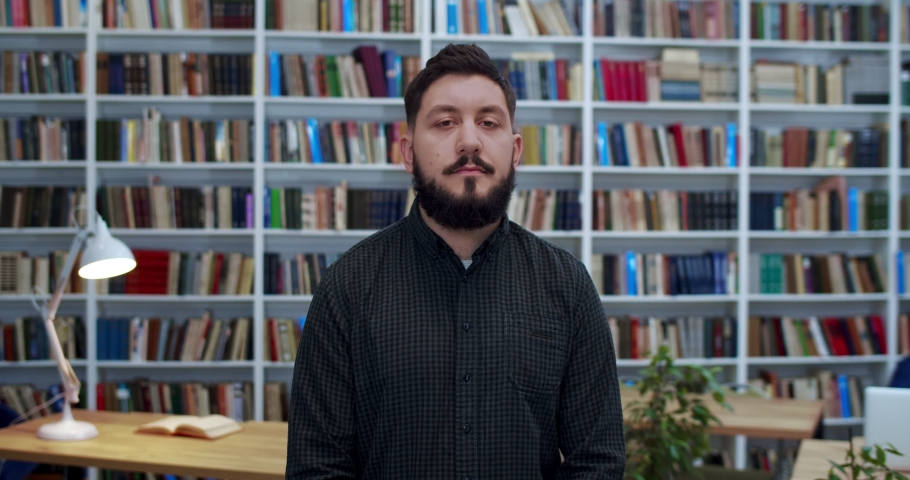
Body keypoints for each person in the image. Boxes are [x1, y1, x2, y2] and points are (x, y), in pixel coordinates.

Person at [286, 43, 625, 479]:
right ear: (407, 152)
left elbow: (596, 462)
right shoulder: (347, 287)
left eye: (489, 122)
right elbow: (317, 468)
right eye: (445, 123)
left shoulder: (567, 286)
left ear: (515, 150)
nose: (469, 141)